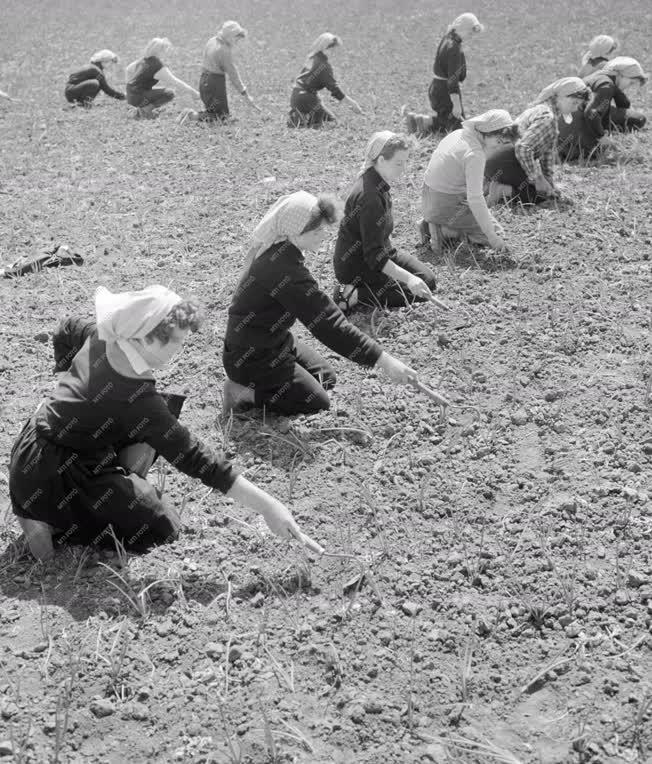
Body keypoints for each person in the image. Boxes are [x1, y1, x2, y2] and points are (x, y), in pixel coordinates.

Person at [9, 285, 309, 562]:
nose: (182, 346)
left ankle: (102, 485)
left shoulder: (107, 333)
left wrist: (67, 380)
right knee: (161, 525)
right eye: (176, 340)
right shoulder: (134, 396)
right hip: (53, 473)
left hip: (42, 438)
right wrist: (269, 506)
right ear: (145, 335)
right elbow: (195, 457)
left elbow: (68, 327)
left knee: (158, 417)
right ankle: (46, 515)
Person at [222, 191, 419, 416]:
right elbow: (327, 322)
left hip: (275, 340)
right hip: (252, 356)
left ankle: (269, 379)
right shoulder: (282, 270)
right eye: (316, 230)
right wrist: (383, 360)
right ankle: (242, 392)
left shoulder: (283, 252)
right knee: (315, 401)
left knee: (326, 378)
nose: (322, 235)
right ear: (295, 232)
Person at [332, 132, 437, 312]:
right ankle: (351, 294)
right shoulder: (370, 198)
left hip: (383, 251)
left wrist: (407, 277)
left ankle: (371, 289)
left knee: (428, 280)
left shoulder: (376, 181)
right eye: (398, 163)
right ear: (381, 160)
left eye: (405, 162)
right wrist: (409, 279)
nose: (403, 169)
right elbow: (374, 256)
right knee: (416, 291)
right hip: (358, 265)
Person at [419, 110, 516, 255]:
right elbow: (475, 199)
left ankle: (434, 221)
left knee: (492, 227)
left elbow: (447, 174)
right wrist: (492, 237)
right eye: (498, 141)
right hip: (446, 203)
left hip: (429, 198)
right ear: (487, 132)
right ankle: (443, 231)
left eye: (504, 143)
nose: (499, 147)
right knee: (493, 235)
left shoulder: (459, 134)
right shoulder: (475, 154)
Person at [483, 77, 589, 205]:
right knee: (539, 195)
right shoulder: (548, 118)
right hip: (506, 159)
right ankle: (501, 190)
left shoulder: (541, 110)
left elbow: (546, 157)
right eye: (574, 103)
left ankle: (488, 185)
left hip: (493, 160)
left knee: (544, 190)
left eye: (578, 104)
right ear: (560, 97)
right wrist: (538, 179)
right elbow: (523, 148)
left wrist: (549, 183)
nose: (575, 109)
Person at [402, 13, 484, 137]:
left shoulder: (447, 38)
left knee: (450, 120)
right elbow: (452, 80)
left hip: (436, 86)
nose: (471, 36)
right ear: (461, 28)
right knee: (457, 128)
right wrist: (456, 105)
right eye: (470, 32)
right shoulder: (454, 48)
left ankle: (418, 121)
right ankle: (421, 121)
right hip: (445, 90)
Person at [558, 57, 647, 160]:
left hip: (566, 120)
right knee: (598, 152)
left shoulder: (601, 77)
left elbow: (623, 102)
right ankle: (570, 148)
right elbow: (592, 114)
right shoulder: (606, 86)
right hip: (578, 123)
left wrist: (626, 105)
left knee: (638, 118)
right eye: (631, 83)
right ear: (618, 74)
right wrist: (602, 137)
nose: (630, 87)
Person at [177, 21, 260, 125]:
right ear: (230, 36)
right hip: (214, 84)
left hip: (204, 80)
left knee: (218, 113)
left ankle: (195, 115)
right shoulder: (224, 50)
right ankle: (191, 115)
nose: (237, 42)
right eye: (236, 38)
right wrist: (245, 94)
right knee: (220, 117)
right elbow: (233, 74)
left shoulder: (212, 40)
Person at [287, 33, 363, 128]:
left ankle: (299, 118)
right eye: (334, 50)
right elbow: (334, 89)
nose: (337, 53)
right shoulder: (324, 66)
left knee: (320, 117)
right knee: (332, 123)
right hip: (307, 98)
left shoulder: (312, 57)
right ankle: (301, 122)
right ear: (326, 48)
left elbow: (305, 79)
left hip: (295, 96)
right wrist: (352, 103)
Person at [126, 38, 199, 119]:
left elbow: (128, 69)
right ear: (159, 51)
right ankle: (146, 111)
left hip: (130, 96)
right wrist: (195, 93)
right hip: (138, 97)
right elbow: (176, 82)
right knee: (169, 93)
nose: (166, 53)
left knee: (157, 90)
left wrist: (129, 87)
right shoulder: (156, 66)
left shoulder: (142, 60)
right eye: (165, 50)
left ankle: (140, 110)